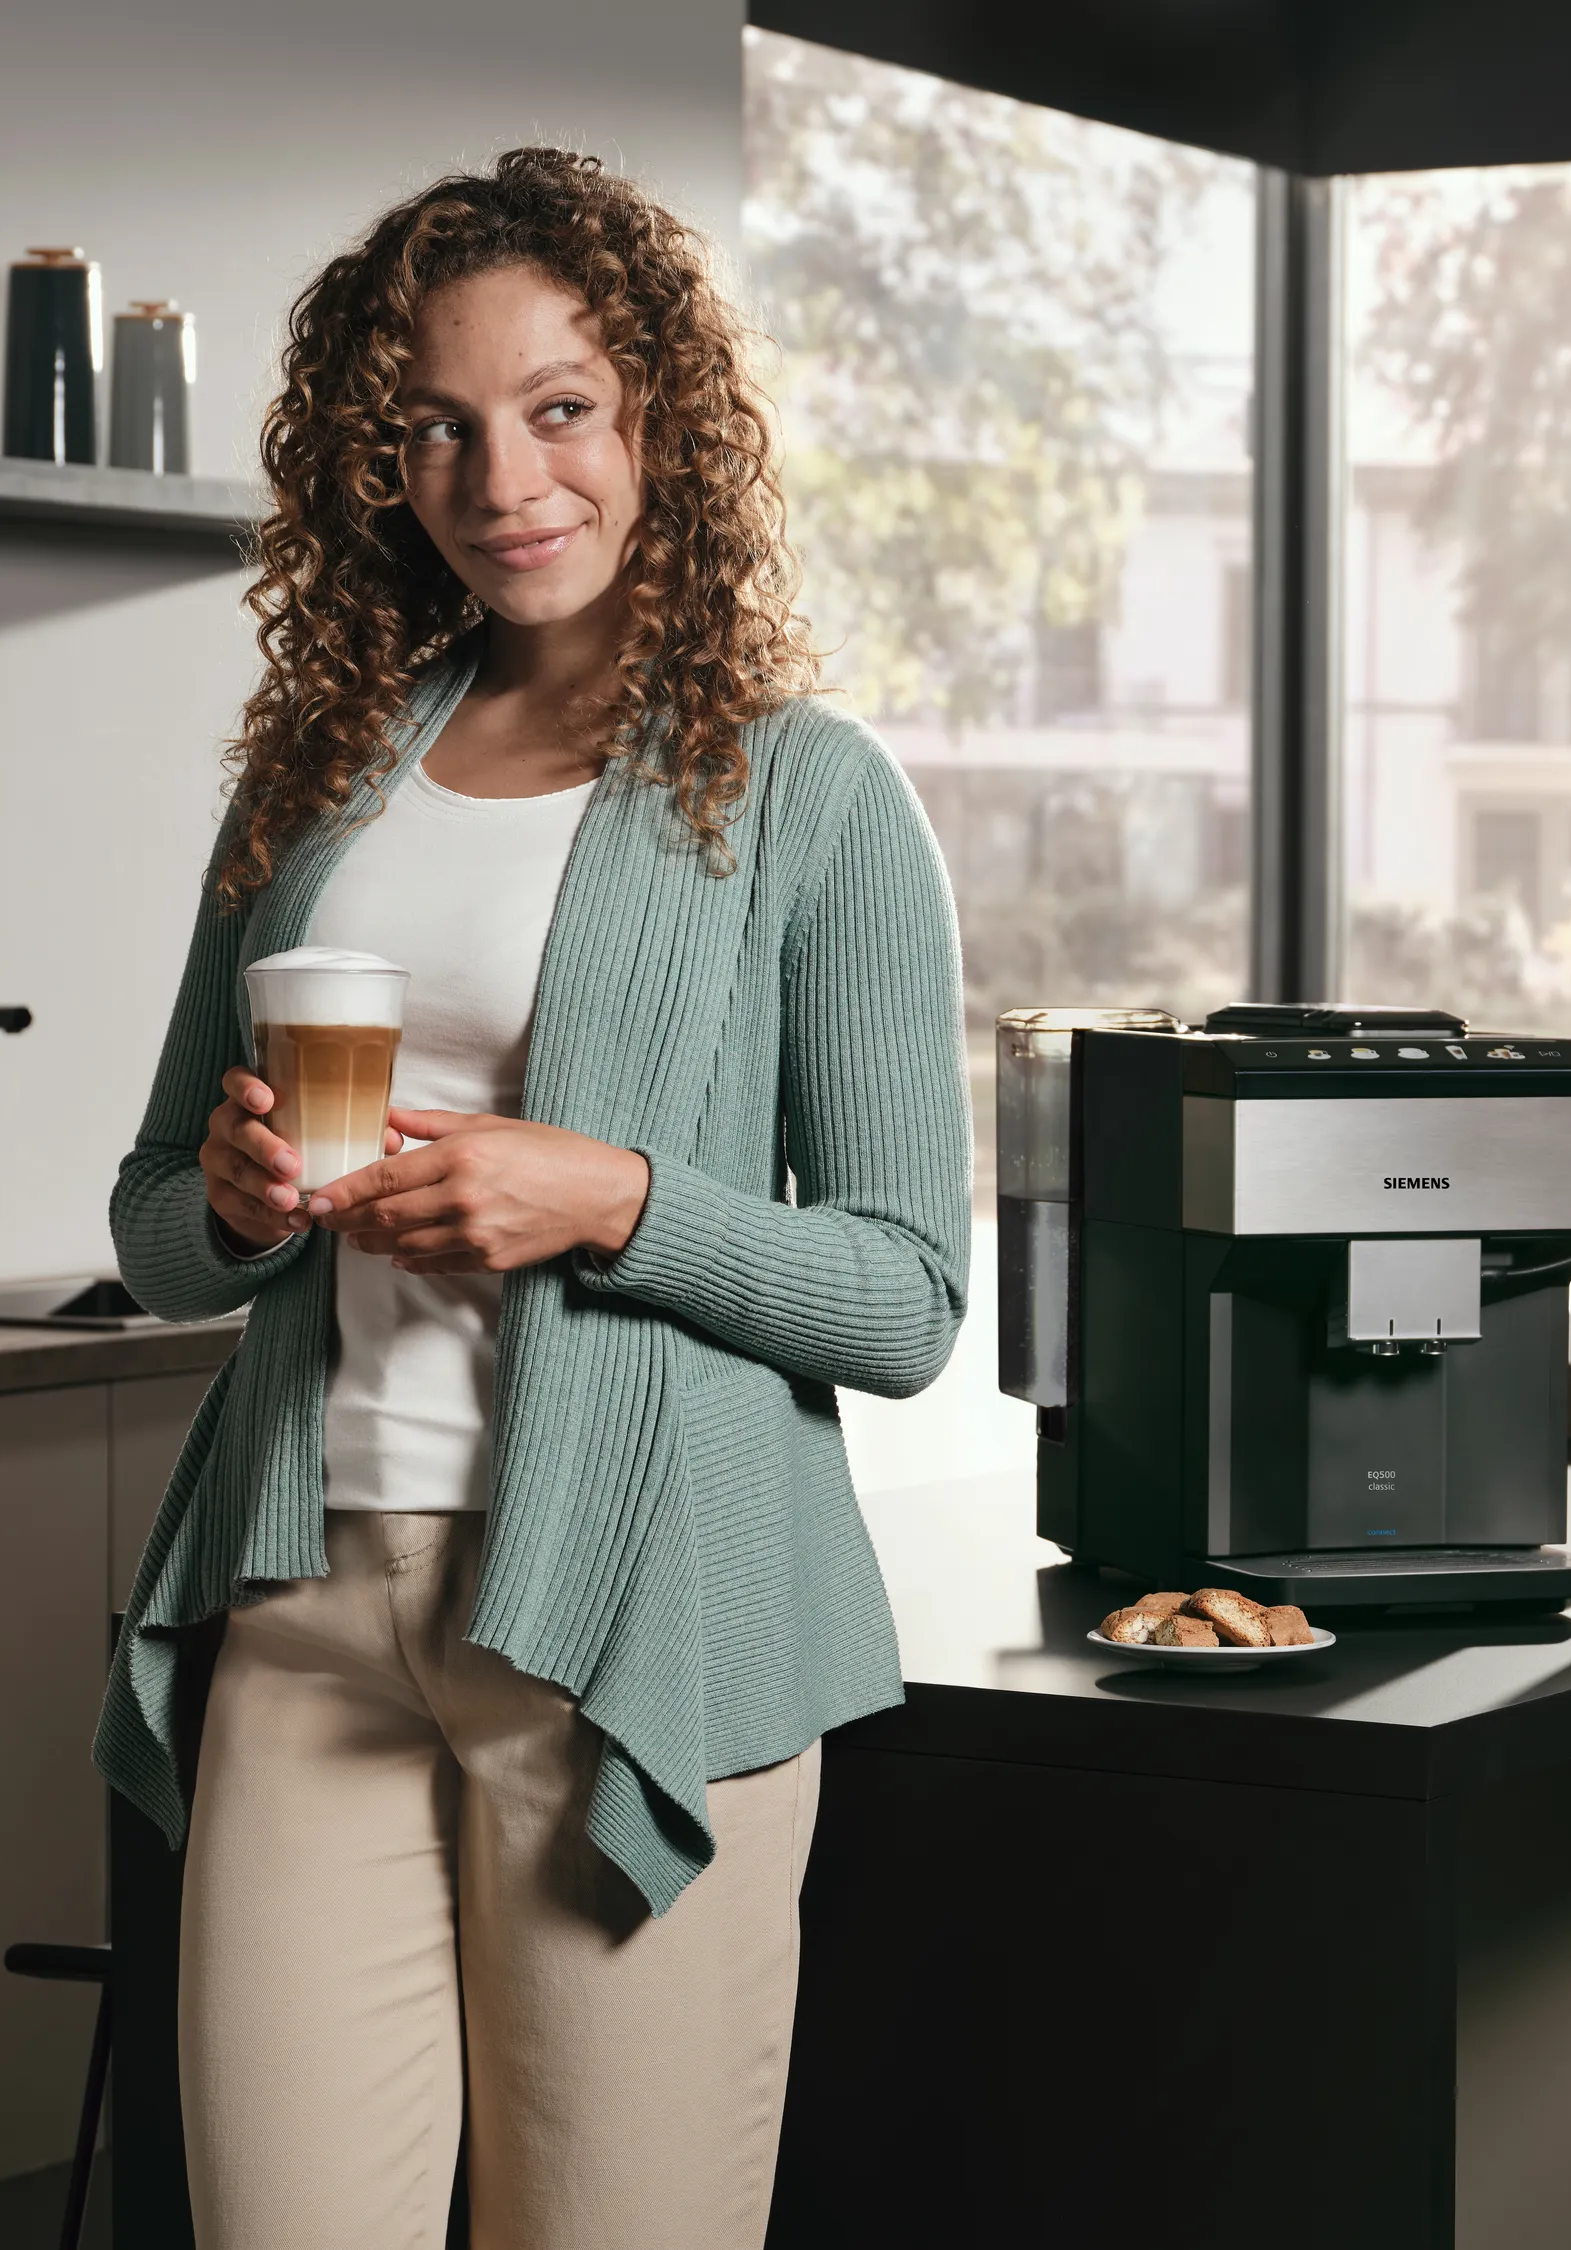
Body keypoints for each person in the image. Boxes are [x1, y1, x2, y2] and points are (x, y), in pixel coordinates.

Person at [95, 147, 969, 2248]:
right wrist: (222, 1200)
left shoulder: (805, 792)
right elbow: (147, 1239)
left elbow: (907, 1300)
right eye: (437, 427)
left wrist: (610, 1201)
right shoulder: (317, 776)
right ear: (370, 463)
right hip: (311, 1609)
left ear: (660, 417)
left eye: (558, 406)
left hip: (641, 1628)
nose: (504, 478)